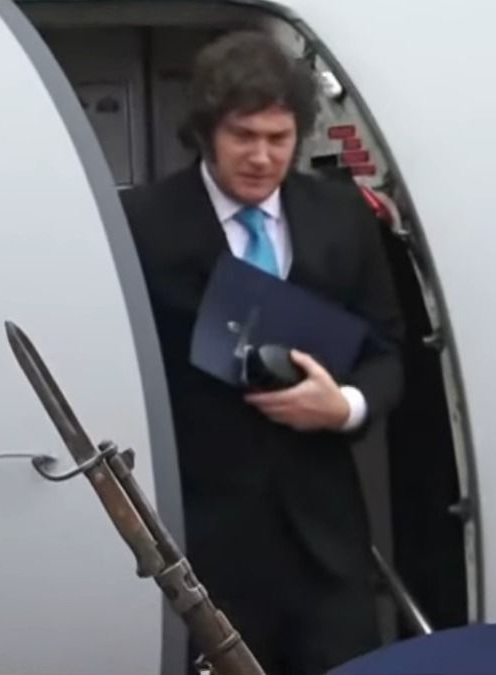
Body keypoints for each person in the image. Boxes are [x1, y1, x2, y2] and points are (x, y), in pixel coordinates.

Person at [119, 30, 405, 675]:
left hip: (326, 546)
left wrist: (346, 407)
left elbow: (387, 350)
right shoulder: (142, 225)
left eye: (278, 139)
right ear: (206, 132)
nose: (260, 156)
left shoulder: (341, 217)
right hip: (204, 543)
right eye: (243, 137)